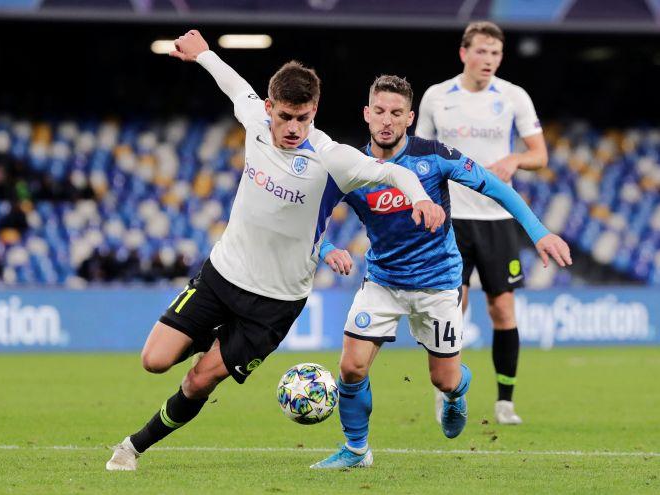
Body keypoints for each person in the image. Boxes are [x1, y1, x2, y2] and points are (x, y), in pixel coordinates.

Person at [105, 30, 443, 471]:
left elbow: (393, 174)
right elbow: (235, 85)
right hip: (222, 276)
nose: (292, 128)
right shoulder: (255, 123)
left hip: (274, 303)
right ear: (270, 109)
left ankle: (133, 447)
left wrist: (420, 198)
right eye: (284, 116)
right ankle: (208, 336)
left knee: (200, 379)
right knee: (154, 360)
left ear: (314, 111)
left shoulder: (332, 157)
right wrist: (203, 53)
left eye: (302, 118)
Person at [310, 75, 571, 469]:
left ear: (410, 118)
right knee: (351, 367)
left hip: (439, 282)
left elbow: (495, 187)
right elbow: (311, 218)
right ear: (366, 114)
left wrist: (539, 232)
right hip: (382, 280)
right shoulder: (352, 167)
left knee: (444, 380)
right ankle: (356, 450)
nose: (387, 120)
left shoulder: (435, 156)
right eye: (379, 111)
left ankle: (455, 394)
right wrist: (328, 248)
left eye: (396, 113)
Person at [416, 21, 548, 425]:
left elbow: (539, 154)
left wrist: (514, 160)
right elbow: (418, 153)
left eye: (495, 53)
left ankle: (505, 402)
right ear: (464, 53)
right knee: (452, 309)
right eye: (482, 52)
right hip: (452, 219)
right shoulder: (437, 97)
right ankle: (446, 392)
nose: (489, 60)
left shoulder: (513, 97)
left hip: (496, 219)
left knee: (503, 310)